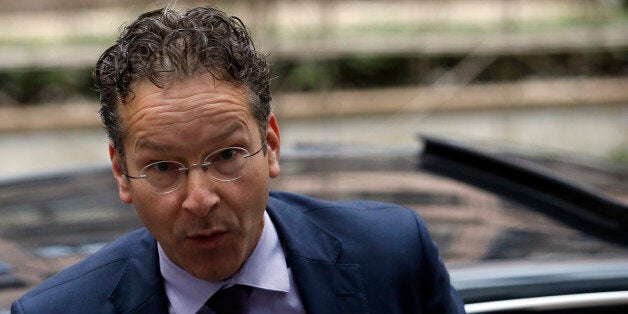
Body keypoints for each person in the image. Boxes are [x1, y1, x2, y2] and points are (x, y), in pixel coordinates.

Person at [12, 5, 465, 314]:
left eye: (226, 155)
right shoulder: (59, 309)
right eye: (164, 167)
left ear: (270, 144)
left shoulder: (392, 254)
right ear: (121, 173)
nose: (200, 198)